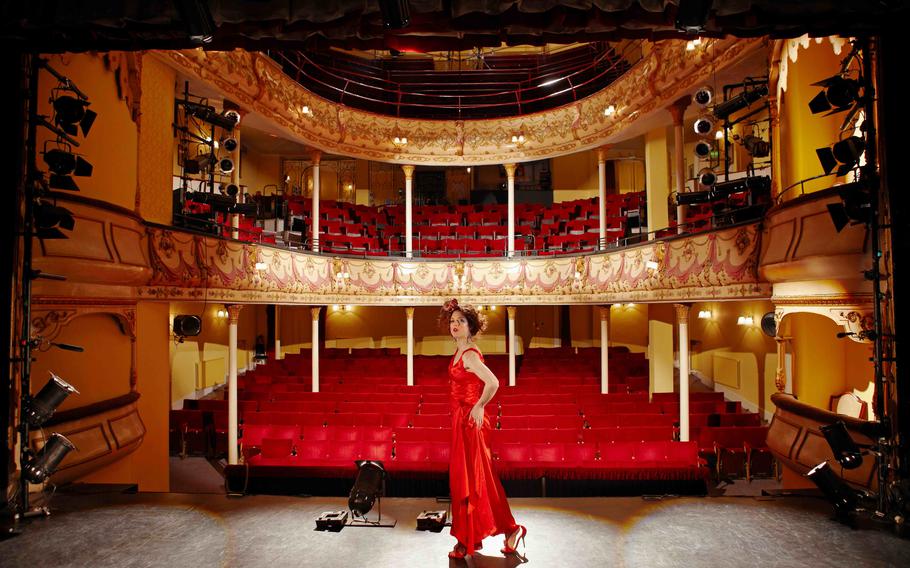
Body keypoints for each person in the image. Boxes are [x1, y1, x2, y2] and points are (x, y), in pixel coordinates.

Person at [440, 298, 527, 560]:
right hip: (460, 420)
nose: (455, 325)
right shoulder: (461, 351)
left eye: (461, 321)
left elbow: (493, 383)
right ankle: (503, 532)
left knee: (476, 481)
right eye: (453, 321)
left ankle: (494, 533)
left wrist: (479, 407)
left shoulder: (468, 354)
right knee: (469, 480)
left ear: (471, 326)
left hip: (470, 422)